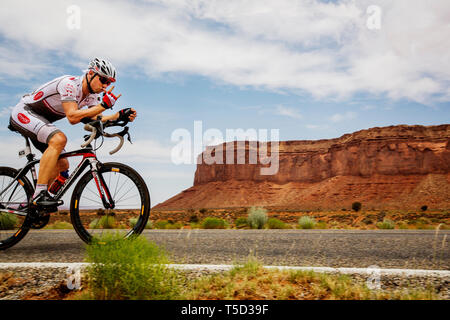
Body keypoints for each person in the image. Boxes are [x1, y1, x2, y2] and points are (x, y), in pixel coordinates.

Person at [9, 58, 136, 212]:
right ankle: (39, 194)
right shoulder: (69, 84)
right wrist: (104, 105)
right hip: (25, 111)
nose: (105, 86)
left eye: (108, 83)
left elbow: (93, 118)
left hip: (42, 121)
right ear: (90, 74)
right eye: (103, 80)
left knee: (63, 165)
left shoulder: (92, 96)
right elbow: (73, 117)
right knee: (59, 139)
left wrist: (118, 116)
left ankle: (32, 206)